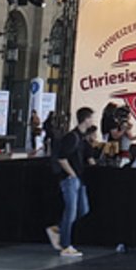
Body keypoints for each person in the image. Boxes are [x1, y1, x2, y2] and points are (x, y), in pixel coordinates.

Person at [47, 106, 96, 258]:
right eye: (91, 118)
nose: (92, 121)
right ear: (86, 119)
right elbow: (61, 158)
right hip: (70, 179)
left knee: (83, 209)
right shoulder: (72, 137)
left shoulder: (81, 138)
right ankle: (66, 245)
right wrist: (72, 174)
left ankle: (58, 229)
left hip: (78, 179)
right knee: (71, 211)